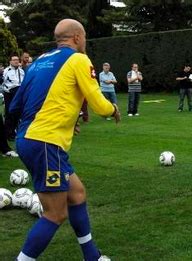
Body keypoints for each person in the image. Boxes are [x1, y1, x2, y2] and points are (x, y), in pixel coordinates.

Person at [9, 19, 120, 261]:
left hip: (29, 139)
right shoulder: (79, 58)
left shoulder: (38, 62)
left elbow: (16, 105)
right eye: (85, 37)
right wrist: (113, 109)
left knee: (77, 194)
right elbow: (97, 101)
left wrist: (65, 120)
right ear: (78, 38)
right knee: (55, 213)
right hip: (45, 143)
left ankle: (92, 256)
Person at [2, 54, 25, 140]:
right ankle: (8, 133)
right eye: (14, 60)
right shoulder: (6, 71)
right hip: (10, 93)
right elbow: (3, 82)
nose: (16, 61)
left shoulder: (21, 71)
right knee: (9, 113)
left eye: (17, 60)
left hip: (19, 93)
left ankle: (14, 132)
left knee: (17, 113)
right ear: (10, 62)